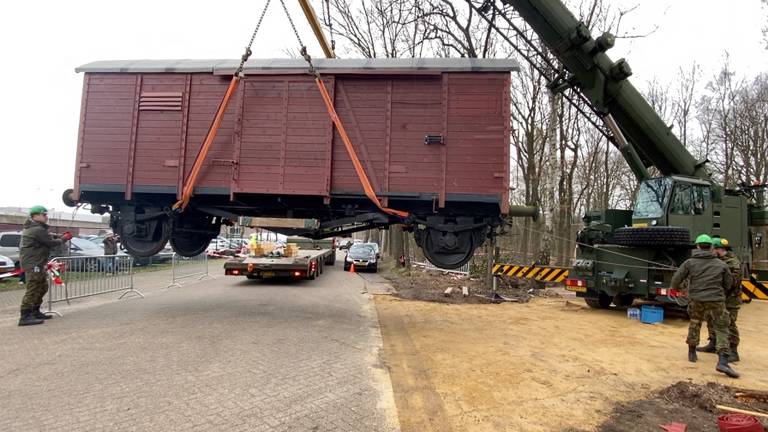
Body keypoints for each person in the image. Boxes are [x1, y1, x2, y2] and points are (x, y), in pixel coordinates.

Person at [671, 233, 739, 378]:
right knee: (721, 328)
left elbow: (677, 278)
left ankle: (692, 352)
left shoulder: (689, 263)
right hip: (716, 300)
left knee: (695, 323)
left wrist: (676, 289)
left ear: (697, 246)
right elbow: (729, 284)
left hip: (696, 299)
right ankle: (722, 360)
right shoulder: (721, 264)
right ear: (711, 247)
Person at [18, 206, 72, 326]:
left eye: (46, 214)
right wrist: (64, 238)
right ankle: (25, 316)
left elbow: (50, 236)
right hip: (33, 264)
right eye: (44, 215)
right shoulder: (36, 230)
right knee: (34, 288)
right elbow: (51, 243)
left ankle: (35, 311)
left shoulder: (38, 229)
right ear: (35, 216)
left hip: (38, 263)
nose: (46, 217)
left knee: (42, 287)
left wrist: (61, 236)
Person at [697, 237, 742, 361]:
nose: (710, 251)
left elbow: (732, 283)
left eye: (712, 249)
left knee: (729, 323)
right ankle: (713, 343)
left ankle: (733, 351)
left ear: (718, 249)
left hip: (730, 300)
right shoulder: (716, 261)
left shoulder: (732, 263)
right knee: (711, 319)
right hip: (716, 298)